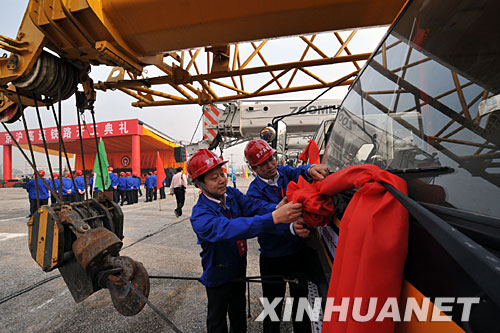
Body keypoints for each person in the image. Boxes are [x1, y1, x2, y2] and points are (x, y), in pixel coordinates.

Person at [188, 149, 304, 333]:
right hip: (218, 276)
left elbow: (253, 206)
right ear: (198, 184)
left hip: (238, 271)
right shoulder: (201, 215)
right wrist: (274, 217)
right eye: (213, 178)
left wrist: (276, 208)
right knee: (217, 320)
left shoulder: (232, 195)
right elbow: (233, 228)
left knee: (238, 314)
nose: (221, 180)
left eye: (221, 174)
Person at [244, 139, 329, 333]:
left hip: (297, 252)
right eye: (264, 163)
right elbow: (262, 219)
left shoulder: (284, 174)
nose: (271, 165)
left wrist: (310, 169)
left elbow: (299, 171)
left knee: (301, 302)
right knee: (273, 306)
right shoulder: (254, 193)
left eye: (272, 158)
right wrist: (289, 225)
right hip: (273, 258)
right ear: (253, 168)